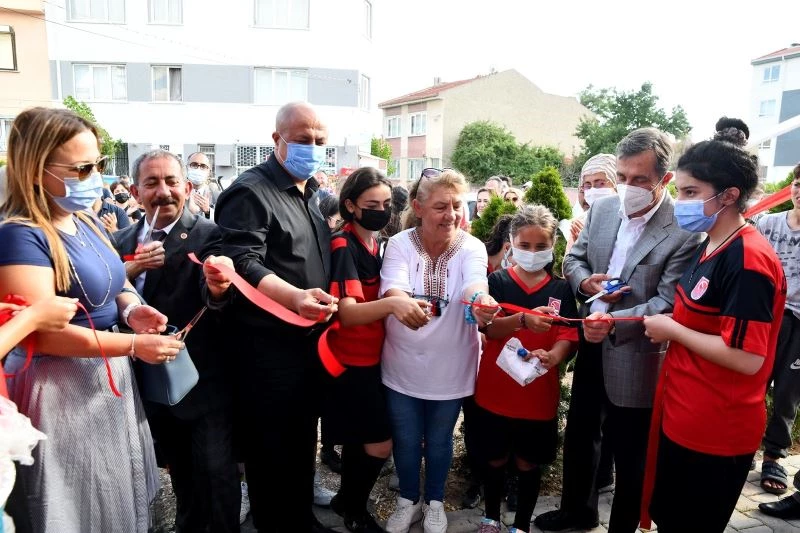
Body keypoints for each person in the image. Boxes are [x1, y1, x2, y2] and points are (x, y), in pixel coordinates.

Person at [0, 106, 183, 532]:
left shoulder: (82, 219)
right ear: (35, 170)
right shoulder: (20, 234)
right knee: (79, 504)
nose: (95, 176)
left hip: (105, 378)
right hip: (63, 389)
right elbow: (45, 334)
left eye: (98, 164)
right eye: (82, 168)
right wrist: (135, 346)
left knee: (112, 499)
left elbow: (114, 282)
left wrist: (132, 309)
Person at [535, 128, 702, 533]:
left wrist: (613, 323)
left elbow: (667, 300)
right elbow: (574, 258)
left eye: (639, 180)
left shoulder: (683, 230)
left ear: (663, 180)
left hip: (636, 352)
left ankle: (622, 526)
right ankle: (578, 511)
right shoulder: (604, 209)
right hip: (590, 341)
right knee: (581, 433)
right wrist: (585, 283)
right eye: (623, 177)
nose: (627, 188)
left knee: (631, 453)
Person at [641, 119, 786, 532]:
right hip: (684, 412)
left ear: (730, 196)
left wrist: (671, 330)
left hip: (716, 428)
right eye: (679, 191)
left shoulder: (749, 261)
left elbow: (746, 357)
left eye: (690, 193)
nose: (680, 202)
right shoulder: (710, 244)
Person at [215, 101, 338, 533]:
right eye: (303, 140)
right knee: (270, 449)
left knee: (303, 439)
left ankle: (300, 517)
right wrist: (293, 297)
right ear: (277, 140)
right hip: (266, 348)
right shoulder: (250, 192)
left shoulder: (309, 192)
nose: (313, 147)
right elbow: (242, 262)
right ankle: (275, 522)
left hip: (309, 344)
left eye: (321, 141)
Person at [113, 149, 241, 533]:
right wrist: (132, 267)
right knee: (181, 475)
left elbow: (215, 294)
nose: (163, 191)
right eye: (151, 183)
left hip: (201, 384)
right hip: (145, 384)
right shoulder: (120, 240)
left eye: (171, 182)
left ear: (187, 187)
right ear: (136, 191)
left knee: (216, 476)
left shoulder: (208, 236)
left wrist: (218, 289)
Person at [381, 169, 498, 533]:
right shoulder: (399, 244)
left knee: (439, 439)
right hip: (402, 362)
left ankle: (434, 502)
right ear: (417, 207)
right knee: (404, 437)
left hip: (452, 364)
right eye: (440, 206)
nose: (451, 214)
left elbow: (474, 282)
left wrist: (482, 300)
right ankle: (407, 501)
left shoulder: (471, 247)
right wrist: (402, 304)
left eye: (457, 205)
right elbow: (393, 290)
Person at [324, 168, 428, 532]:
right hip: (351, 361)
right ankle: (354, 510)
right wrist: (392, 306)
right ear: (350, 205)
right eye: (372, 204)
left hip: (374, 358)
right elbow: (348, 313)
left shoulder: (377, 243)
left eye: (386, 203)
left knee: (360, 441)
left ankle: (346, 502)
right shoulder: (343, 245)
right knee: (380, 443)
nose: (381, 210)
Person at [475, 205, 579, 533]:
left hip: (537, 396)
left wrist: (553, 354)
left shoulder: (561, 289)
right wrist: (521, 319)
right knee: (493, 459)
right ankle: (491, 517)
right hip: (495, 392)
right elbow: (489, 330)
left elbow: (568, 334)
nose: (532, 253)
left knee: (527, 462)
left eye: (540, 246)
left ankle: (520, 525)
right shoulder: (498, 281)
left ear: (552, 246)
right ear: (511, 243)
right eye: (524, 246)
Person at [753, 162, 800, 496]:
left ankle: (774, 456)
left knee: (787, 393)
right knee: (749, 384)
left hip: (798, 322)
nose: (799, 190)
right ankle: (738, 447)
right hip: (762, 317)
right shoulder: (766, 223)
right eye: (798, 182)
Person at [564, 154, 617, 253]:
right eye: (588, 185)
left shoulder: (628, 221)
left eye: (600, 183)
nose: (593, 190)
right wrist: (580, 246)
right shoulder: (580, 223)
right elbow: (569, 264)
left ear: (616, 184)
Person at [186, 152, 222, 219]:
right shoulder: (179, 192)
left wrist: (208, 211)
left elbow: (223, 220)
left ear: (209, 171)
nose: (198, 169)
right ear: (187, 168)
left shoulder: (217, 195)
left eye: (203, 166)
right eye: (194, 165)